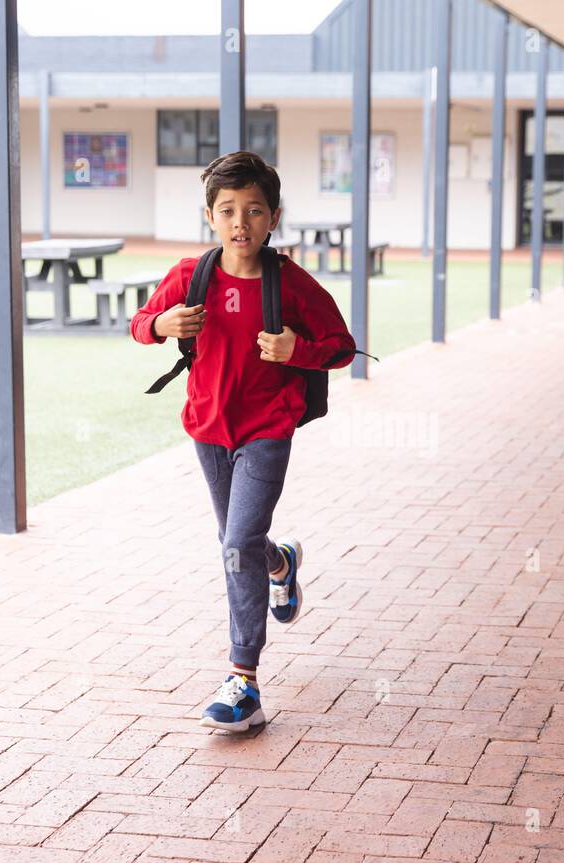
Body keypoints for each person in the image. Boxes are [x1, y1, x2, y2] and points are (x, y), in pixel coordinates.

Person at [130, 150, 358, 732]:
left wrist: (295, 351)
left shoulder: (292, 284)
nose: (241, 222)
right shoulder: (191, 276)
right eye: (228, 210)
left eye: (254, 211)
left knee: (235, 542)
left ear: (273, 217)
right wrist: (162, 325)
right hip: (208, 429)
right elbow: (139, 326)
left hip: (268, 430)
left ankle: (244, 682)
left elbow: (340, 345)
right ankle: (280, 563)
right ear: (210, 215)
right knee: (243, 543)